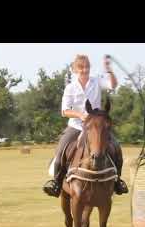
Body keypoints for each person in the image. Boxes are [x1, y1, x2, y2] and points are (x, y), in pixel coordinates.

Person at [42, 54, 129, 197]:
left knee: (116, 147)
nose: (84, 70)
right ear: (75, 69)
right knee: (61, 150)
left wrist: (109, 70)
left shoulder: (96, 81)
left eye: (87, 67)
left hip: (96, 127)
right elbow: (65, 111)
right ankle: (56, 184)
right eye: (81, 67)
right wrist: (80, 115)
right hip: (76, 126)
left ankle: (117, 182)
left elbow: (113, 85)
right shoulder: (70, 87)